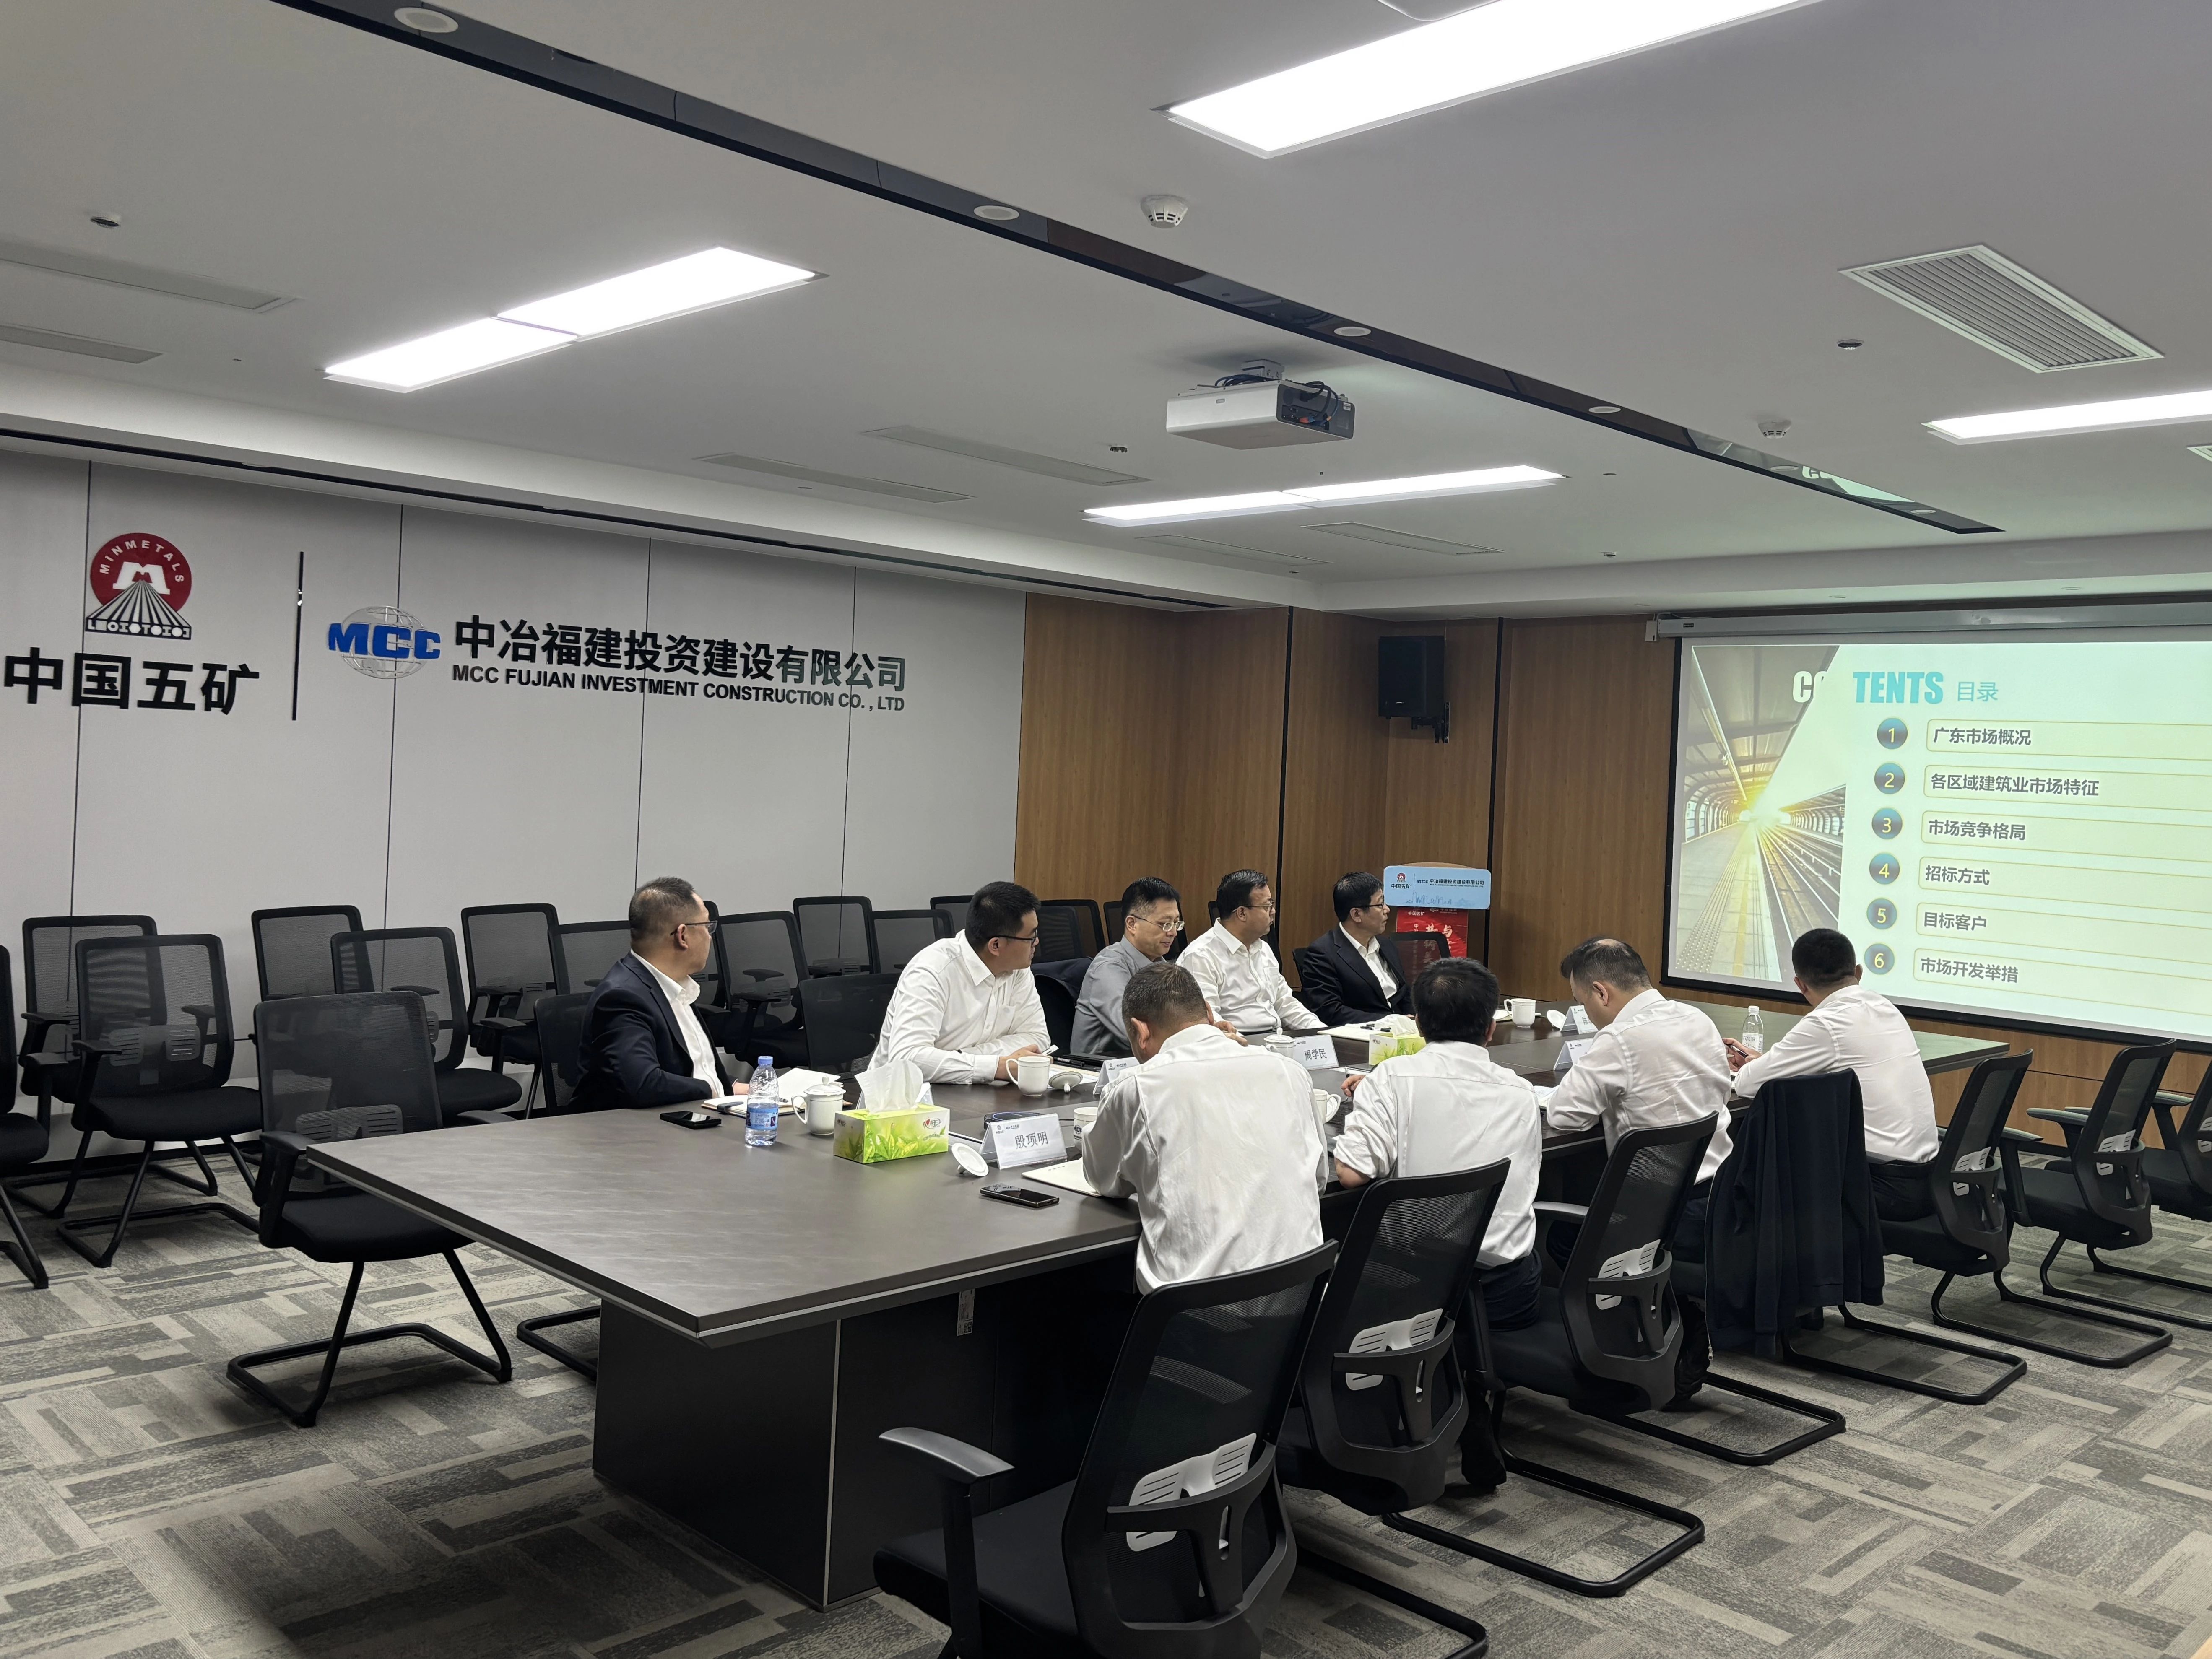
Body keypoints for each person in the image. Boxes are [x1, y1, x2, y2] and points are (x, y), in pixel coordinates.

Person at [1543, 936, 1734, 1405]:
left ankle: (1624, 1340)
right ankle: (1661, 1320)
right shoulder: (1696, 1018)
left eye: (1582, 1002)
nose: (1587, 1014)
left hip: (1659, 1210)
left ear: (1601, 992)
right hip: (1720, 1192)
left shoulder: (1619, 1039)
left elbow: (1565, 1115)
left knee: (1561, 1237)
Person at [1081, 961, 1326, 1290]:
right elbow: (1318, 1179)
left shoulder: (1138, 1086)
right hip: (1302, 1295)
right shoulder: (1289, 1071)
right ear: (1209, 1013)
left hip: (1196, 1307)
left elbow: (1103, 1178)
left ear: (1140, 1032)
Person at [1333, 957, 1544, 1332]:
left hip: (1414, 1292)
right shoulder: (1522, 1092)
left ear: (1418, 1024)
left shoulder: (1391, 1079)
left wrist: (1375, 1099)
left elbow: (1351, 1174)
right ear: (1491, 1028)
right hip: (1506, 1294)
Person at [1727, 927, 1940, 1221]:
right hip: (1929, 1178)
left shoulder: (1826, 1022)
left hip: (1881, 1185)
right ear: (1858, 972)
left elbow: (1748, 1084)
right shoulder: (1885, 1007)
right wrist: (1770, 1063)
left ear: (1800, 984)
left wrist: (1755, 1067)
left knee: (1762, 1157)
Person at [573, 876, 733, 1111]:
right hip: (635, 1129)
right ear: (683, 936)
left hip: (686, 1115)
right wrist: (714, 1090)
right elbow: (643, 1085)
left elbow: (690, 1069)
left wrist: (737, 1089)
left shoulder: (676, 986)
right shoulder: (623, 998)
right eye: (707, 927)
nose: (710, 936)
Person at [872, 880, 1051, 1084]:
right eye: (1031, 937)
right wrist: (997, 1067)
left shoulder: (1017, 969)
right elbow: (907, 1059)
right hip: (900, 1096)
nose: (1037, 943)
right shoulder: (933, 971)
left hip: (975, 1091)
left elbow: (1037, 1039)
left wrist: (964, 1058)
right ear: (996, 945)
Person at [1179, 870, 1326, 1036]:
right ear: (1242, 913)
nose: (1273, 911)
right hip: (1235, 1041)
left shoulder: (1264, 949)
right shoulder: (1200, 955)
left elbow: (1286, 1004)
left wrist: (1323, 1033)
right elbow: (1209, 1018)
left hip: (1275, 1037)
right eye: (1267, 906)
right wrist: (1248, 1047)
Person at [1071, 877, 1182, 1057]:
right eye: (1165, 924)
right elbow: (1135, 1032)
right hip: (1102, 1067)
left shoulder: (1163, 967)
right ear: (1132, 924)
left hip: (1148, 1061)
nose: (1173, 932)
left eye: (1176, 923)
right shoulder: (1108, 969)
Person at [1297, 871, 1413, 1028]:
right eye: (1380, 905)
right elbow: (1330, 1012)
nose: (1387, 910)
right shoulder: (1322, 954)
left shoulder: (1386, 945)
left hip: (1405, 1031)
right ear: (1357, 914)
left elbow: (1405, 993)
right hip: (1364, 1034)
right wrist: (1389, 1022)